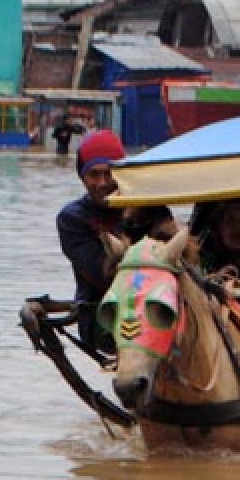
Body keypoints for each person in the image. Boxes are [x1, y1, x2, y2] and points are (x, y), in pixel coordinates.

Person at [56, 130, 174, 351]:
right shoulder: (72, 219)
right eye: (94, 175)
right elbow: (102, 274)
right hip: (101, 312)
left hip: (156, 303)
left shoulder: (150, 207)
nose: (103, 183)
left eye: (110, 173)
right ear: (82, 177)